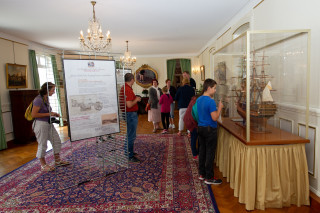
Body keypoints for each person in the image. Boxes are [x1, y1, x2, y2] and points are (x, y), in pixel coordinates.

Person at [31, 82, 69, 172]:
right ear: (47, 90)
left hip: (48, 123)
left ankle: (57, 161)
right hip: (40, 125)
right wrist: (49, 114)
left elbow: (46, 112)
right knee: (42, 144)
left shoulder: (46, 98)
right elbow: (34, 114)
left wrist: (53, 114)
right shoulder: (38, 99)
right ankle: (43, 165)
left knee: (56, 141)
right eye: (53, 90)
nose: (54, 92)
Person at [197, 79, 223, 185]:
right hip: (209, 129)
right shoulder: (210, 101)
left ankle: (202, 174)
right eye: (214, 88)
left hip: (200, 128)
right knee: (210, 153)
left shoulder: (199, 99)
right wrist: (220, 108)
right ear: (209, 88)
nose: (215, 90)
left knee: (202, 151)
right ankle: (209, 177)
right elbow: (214, 118)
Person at [120, 73, 141, 163]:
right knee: (131, 136)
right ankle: (129, 155)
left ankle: (128, 152)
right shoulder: (127, 89)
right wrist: (136, 99)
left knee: (129, 134)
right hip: (130, 114)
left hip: (128, 114)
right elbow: (129, 105)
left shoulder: (124, 88)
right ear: (132, 79)